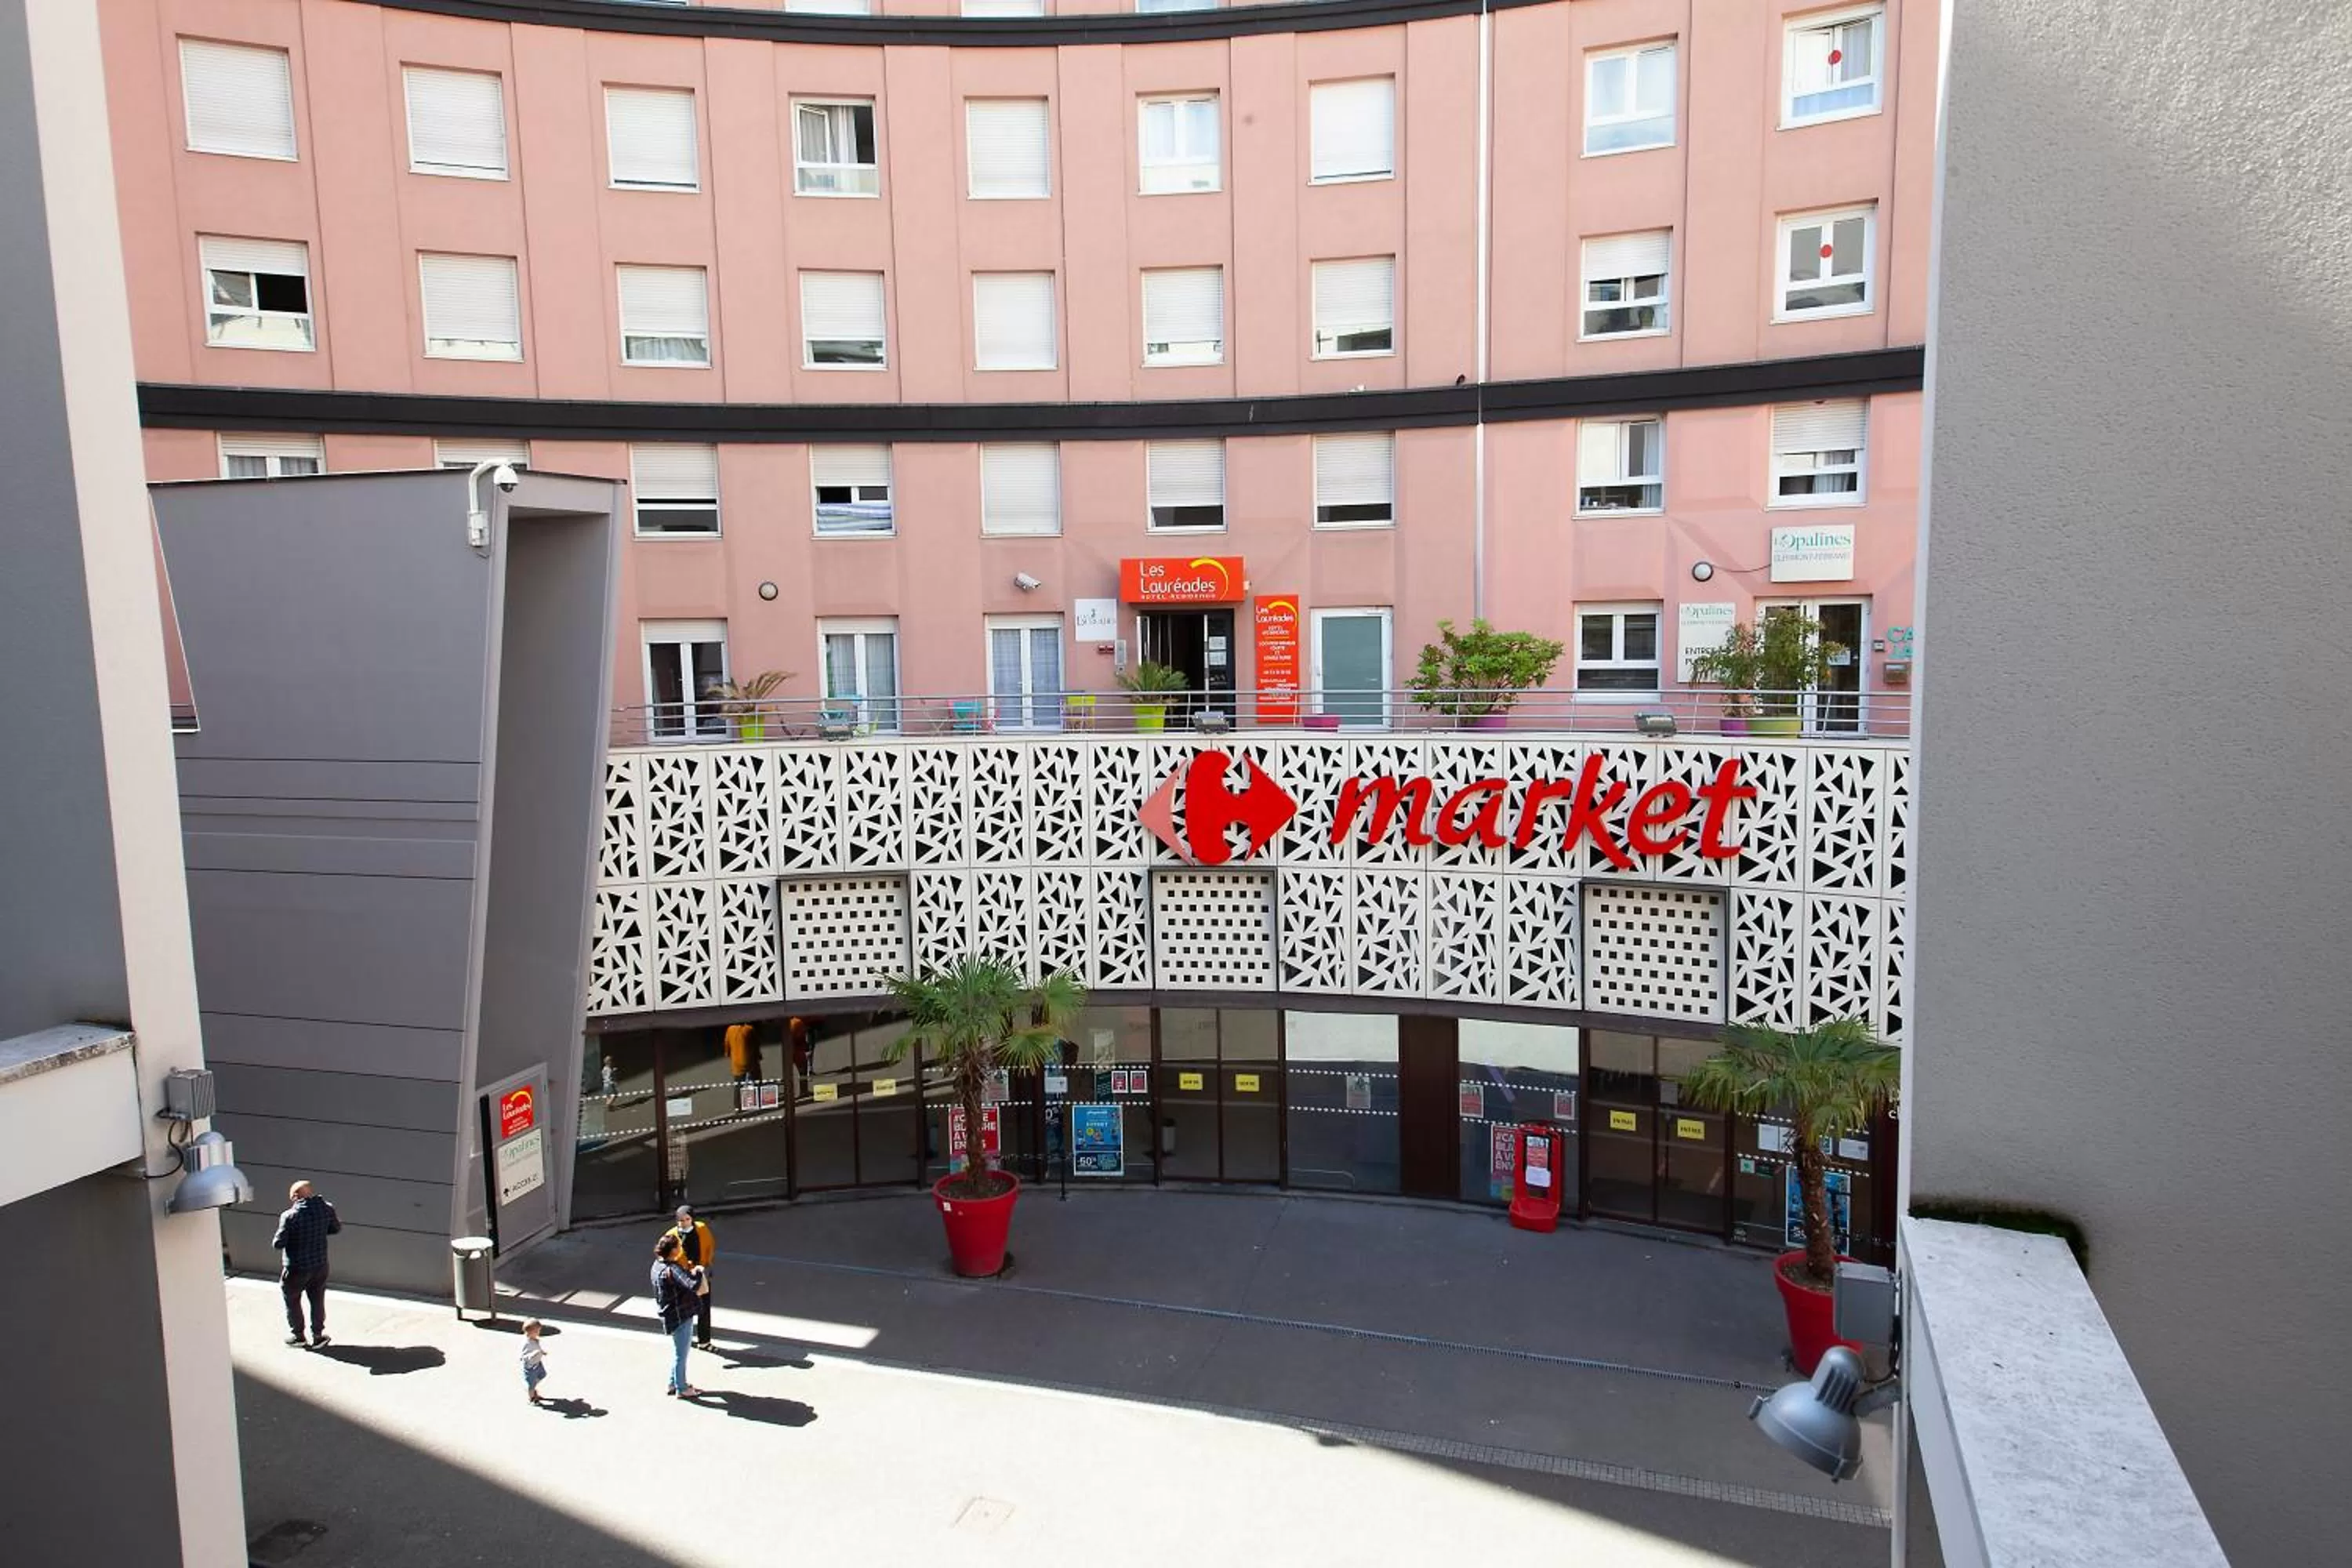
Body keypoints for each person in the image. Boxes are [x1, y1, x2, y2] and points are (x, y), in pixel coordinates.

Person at [270, 1179, 339, 1348]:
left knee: (292, 1300)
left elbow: (278, 1244)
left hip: (296, 1268)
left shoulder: (289, 1216)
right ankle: (318, 1336)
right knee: (317, 1300)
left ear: (295, 1196)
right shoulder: (327, 1208)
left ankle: (298, 1336)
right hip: (320, 1265)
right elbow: (335, 1228)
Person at [652, 1235, 703, 1399]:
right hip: (680, 1313)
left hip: (667, 1313)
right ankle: (682, 1388)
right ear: (673, 1250)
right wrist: (698, 1273)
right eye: (678, 1246)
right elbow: (692, 1284)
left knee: (677, 1351)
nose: (681, 1248)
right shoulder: (672, 1269)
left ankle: (673, 1382)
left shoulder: (656, 1266)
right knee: (682, 1353)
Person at [662, 1205, 717, 1348]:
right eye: (681, 1220)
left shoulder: (701, 1229)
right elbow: (665, 1254)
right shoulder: (672, 1234)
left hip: (699, 1272)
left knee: (704, 1308)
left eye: (687, 1219)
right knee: (684, 1309)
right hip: (682, 1276)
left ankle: (704, 1341)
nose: (684, 1223)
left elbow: (709, 1247)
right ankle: (682, 1338)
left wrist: (704, 1265)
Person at [520, 1320, 548, 1404]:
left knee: (543, 1374)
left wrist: (541, 1352)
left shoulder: (534, 1339)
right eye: (537, 1331)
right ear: (529, 1332)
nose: (538, 1333)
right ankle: (532, 1398)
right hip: (531, 1367)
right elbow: (523, 1357)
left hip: (537, 1363)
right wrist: (532, 1355)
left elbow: (537, 1348)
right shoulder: (527, 1343)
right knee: (531, 1385)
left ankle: (531, 1388)